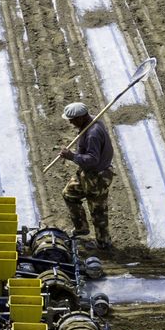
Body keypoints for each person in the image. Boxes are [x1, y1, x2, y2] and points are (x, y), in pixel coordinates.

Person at [55, 101, 116, 250]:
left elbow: (93, 159)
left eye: (72, 119)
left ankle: (103, 243)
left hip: (97, 177)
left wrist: (72, 156)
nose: (70, 122)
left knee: (98, 211)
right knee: (69, 194)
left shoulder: (92, 133)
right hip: (85, 174)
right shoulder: (89, 123)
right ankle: (81, 227)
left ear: (81, 117)